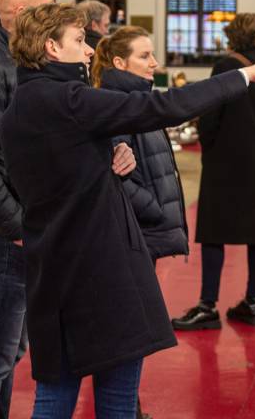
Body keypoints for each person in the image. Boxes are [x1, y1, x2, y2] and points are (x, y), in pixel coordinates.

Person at [0, 4, 255, 419]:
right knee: (118, 399)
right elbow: (164, 107)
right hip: (103, 271)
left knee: (54, 397)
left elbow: (52, 174)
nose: (89, 50)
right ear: (51, 47)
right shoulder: (70, 100)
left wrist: (105, 153)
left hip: (51, 272)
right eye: (79, 40)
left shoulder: (18, 109)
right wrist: (244, 75)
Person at [0, 0, 135, 419]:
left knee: (11, 351)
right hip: (4, 237)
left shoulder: (29, 68)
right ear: (20, 15)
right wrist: (20, 228)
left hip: (36, 230)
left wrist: (114, 147)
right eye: (46, 7)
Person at [171, 12, 255, 331]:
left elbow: (209, 115)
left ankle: (207, 305)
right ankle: (251, 303)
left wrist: (211, 148)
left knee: (214, 231)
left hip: (225, 161)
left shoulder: (225, 67)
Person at [91, 26, 187, 419]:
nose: (155, 63)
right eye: (144, 56)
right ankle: (125, 408)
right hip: (133, 232)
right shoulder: (116, 105)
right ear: (119, 62)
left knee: (132, 331)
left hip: (143, 231)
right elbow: (114, 175)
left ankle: (129, 406)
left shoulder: (138, 100)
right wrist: (155, 209)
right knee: (127, 332)